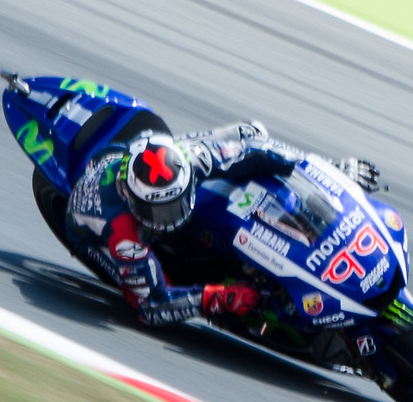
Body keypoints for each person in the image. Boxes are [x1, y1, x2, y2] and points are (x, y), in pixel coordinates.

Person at [62, 121, 381, 327]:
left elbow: (255, 148)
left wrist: (329, 170)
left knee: (251, 133)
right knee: (148, 288)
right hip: (90, 233)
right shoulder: (124, 235)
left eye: (176, 202)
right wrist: (217, 297)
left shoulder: (190, 158)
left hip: (132, 153)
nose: (171, 215)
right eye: (161, 210)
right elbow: (153, 307)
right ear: (133, 200)